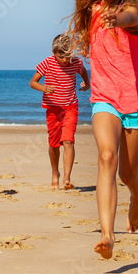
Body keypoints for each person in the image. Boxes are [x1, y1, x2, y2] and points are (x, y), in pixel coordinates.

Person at [22, 0, 138, 258]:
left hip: (137, 99)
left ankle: (137, 193)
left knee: (128, 173)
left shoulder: (134, 10)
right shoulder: (89, 5)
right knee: (106, 157)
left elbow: (131, 17)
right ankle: (108, 235)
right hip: (105, 97)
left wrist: (118, 17)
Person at [30, 33, 89, 190]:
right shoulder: (47, 62)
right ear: (53, 52)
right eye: (60, 56)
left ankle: (67, 179)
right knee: (54, 144)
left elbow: (83, 71)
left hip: (71, 107)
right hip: (52, 109)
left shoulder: (76, 62)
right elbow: (33, 82)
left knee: (68, 141)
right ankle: (55, 173)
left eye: (67, 56)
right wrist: (44, 88)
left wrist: (87, 84)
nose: (64, 60)